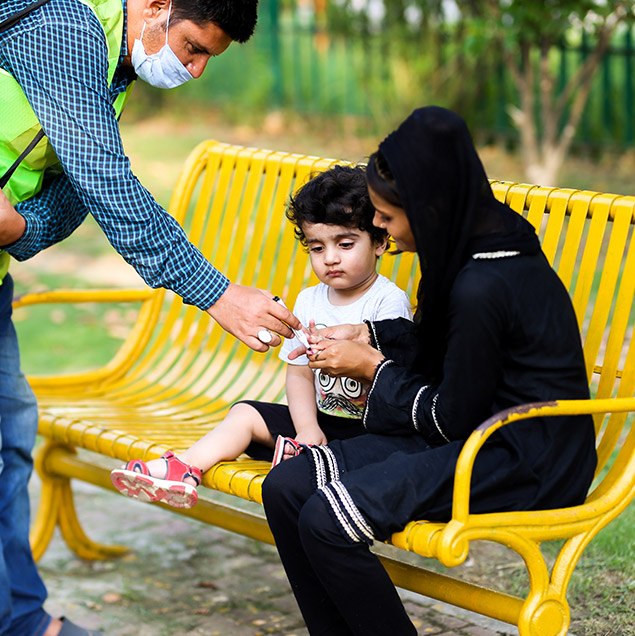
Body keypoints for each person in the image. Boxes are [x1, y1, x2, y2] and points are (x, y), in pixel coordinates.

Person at [0, 1, 300, 636]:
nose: (192, 71)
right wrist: (218, 294)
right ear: (159, 5)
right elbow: (106, 183)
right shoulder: (65, 24)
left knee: (11, 434)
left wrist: (17, 228)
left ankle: (18, 619)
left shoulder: (116, 56)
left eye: (205, 61)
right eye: (192, 47)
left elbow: (73, 188)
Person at [260, 106, 599, 636]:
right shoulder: (471, 245)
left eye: (389, 217)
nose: (385, 229)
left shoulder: (484, 281)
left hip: (517, 454)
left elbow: (450, 417)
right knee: (287, 489)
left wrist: (370, 367)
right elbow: (451, 360)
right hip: (471, 429)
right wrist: (368, 331)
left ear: (429, 207)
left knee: (325, 519)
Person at [109, 165, 413, 509]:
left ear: (379, 242)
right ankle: (184, 468)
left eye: (345, 244)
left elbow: (392, 379)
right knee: (245, 414)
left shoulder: (388, 302)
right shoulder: (309, 300)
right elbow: (298, 372)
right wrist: (307, 428)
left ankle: (302, 457)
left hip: (367, 432)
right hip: (319, 423)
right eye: (316, 248)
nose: (330, 258)